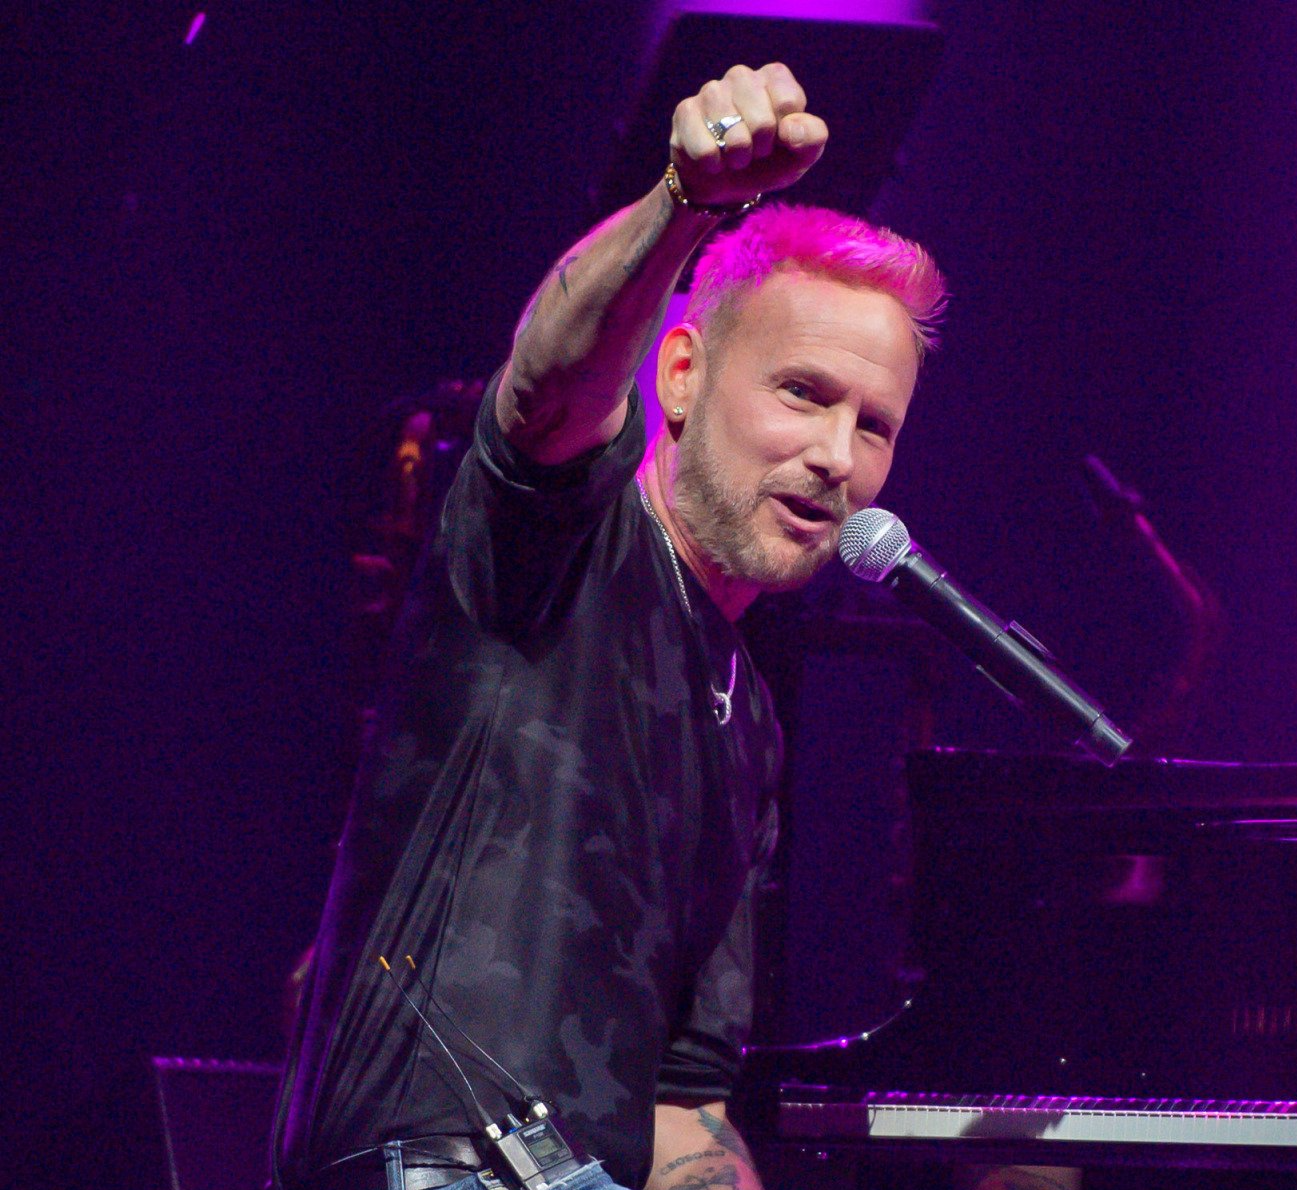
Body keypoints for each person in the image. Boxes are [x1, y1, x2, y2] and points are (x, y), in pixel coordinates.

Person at [273, 62, 944, 1190]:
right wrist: (682, 203)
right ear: (679, 373)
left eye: (873, 424)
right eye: (803, 393)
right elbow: (549, 385)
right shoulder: (560, 540)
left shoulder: (749, 731)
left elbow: (685, 1103)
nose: (837, 455)